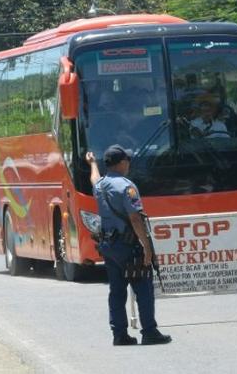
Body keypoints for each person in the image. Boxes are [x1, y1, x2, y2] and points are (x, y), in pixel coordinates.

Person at [86, 145, 172, 346]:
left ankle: (119, 334)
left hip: (109, 246)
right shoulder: (127, 186)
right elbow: (135, 218)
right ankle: (149, 331)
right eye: (128, 160)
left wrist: (92, 164)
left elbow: (94, 179)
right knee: (143, 288)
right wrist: (148, 248)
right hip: (129, 247)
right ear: (122, 163)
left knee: (117, 291)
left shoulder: (100, 186)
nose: (129, 164)